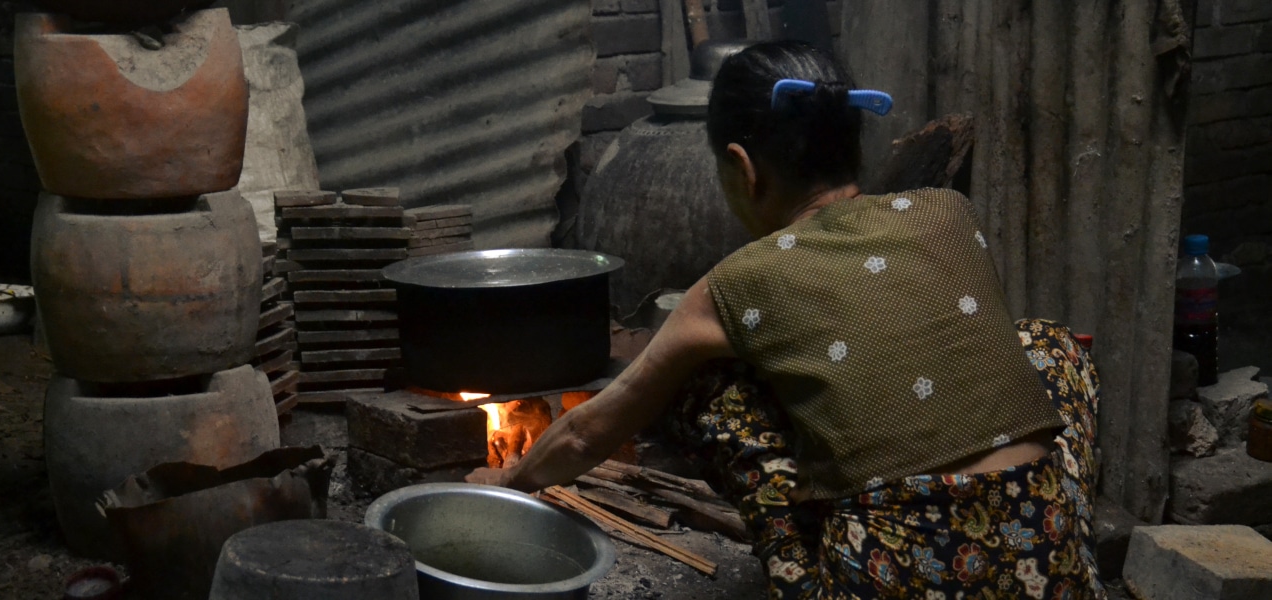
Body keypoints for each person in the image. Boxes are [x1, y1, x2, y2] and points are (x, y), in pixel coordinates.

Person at [467, 41, 1104, 599]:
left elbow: (586, 436)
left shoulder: (738, 283)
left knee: (704, 386)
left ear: (743, 168)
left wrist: (507, 478)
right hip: (1046, 562)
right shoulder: (947, 211)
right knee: (1046, 344)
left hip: (893, 577)